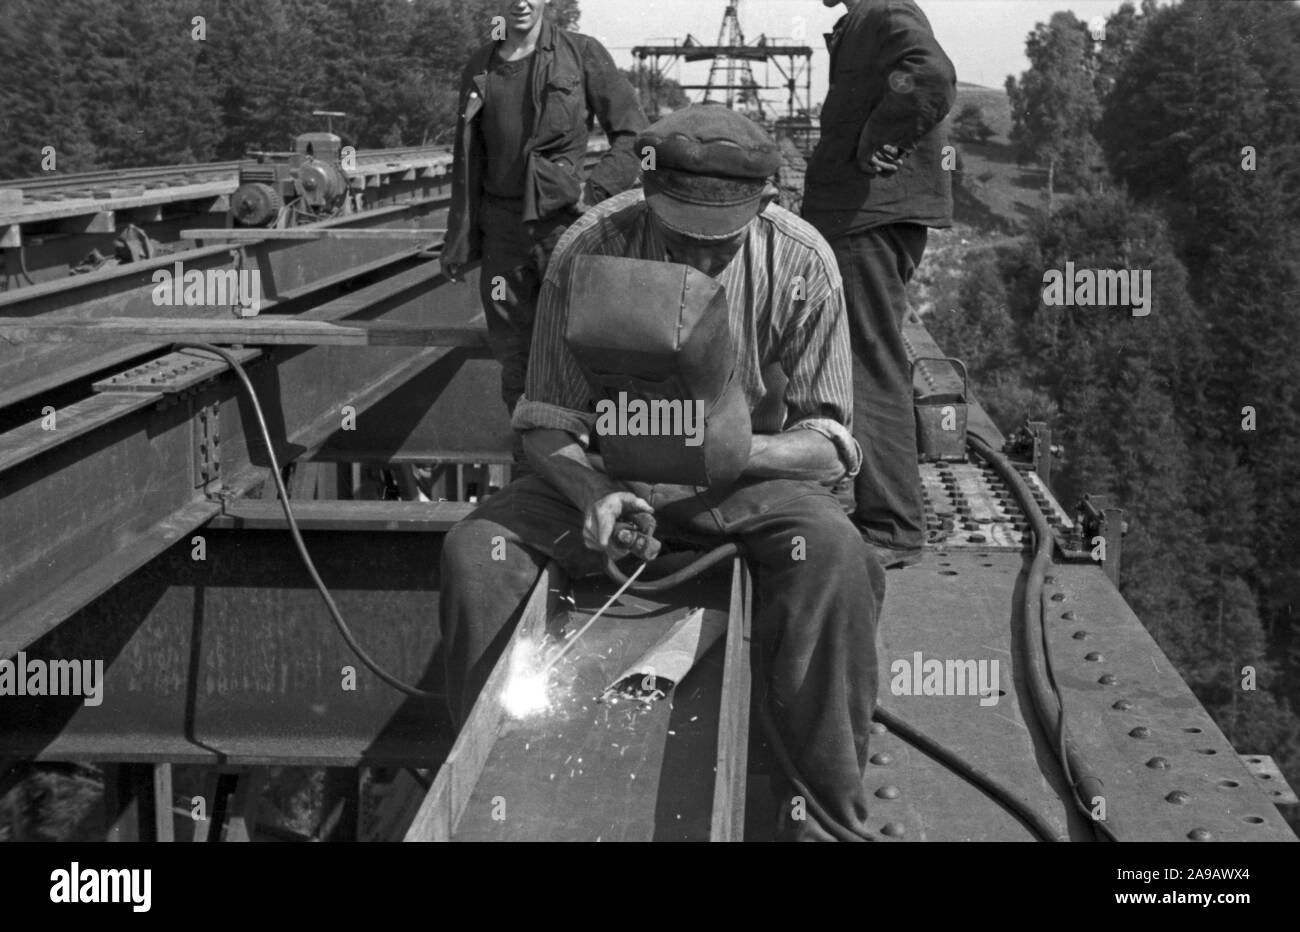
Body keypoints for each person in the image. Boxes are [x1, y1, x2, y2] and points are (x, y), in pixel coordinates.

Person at [439, 106, 884, 841]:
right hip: (612, 472)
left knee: (837, 560)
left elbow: (832, 441)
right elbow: (544, 418)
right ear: (648, 197)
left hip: (744, 482)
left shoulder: (802, 262)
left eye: (720, 243)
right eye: (680, 236)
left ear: (765, 204)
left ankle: (826, 817)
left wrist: (738, 453)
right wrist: (594, 490)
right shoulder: (588, 250)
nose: (699, 261)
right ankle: (493, 797)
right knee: (475, 555)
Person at [803, 0, 957, 568]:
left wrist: (877, 135)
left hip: (866, 217)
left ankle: (892, 524)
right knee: (863, 359)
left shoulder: (886, 13)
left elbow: (931, 74)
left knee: (870, 363)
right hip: (861, 215)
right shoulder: (865, 21)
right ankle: (883, 508)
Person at [441, 0, 647, 424]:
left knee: (582, 349)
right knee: (515, 358)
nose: (520, 2)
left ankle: (587, 464)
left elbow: (634, 133)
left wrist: (596, 190)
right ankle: (532, 461)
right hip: (501, 232)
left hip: (563, 228)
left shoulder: (581, 53)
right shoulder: (481, 65)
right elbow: (467, 160)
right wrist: (458, 238)